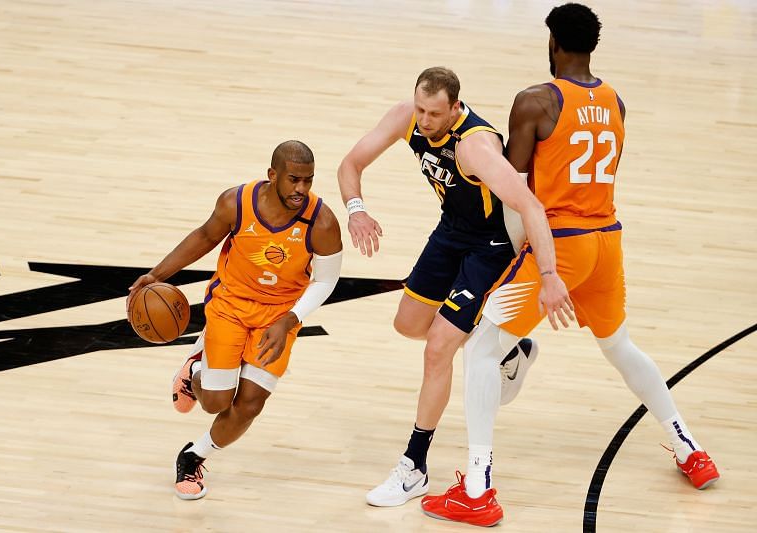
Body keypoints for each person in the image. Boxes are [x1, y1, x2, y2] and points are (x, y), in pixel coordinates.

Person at [421, 4, 720, 527]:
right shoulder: (615, 101)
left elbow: (512, 190)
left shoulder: (534, 101)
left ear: (554, 43)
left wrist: (533, 261)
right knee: (620, 346)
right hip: (607, 242)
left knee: (482, 348)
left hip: (562, 244)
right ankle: (689, 447)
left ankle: (476, 488)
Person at [338, 67, 573, 507]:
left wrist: (548, 274)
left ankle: (414, 465)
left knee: (439, 348)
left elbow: (529, 204)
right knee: (409, 325)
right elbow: (351, 163)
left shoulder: (475, 146)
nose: (424, 121)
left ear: (455, 109)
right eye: (421, 109)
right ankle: (510, 351)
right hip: (451, 232)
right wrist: (356, 210)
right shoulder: (407, 117)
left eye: (434, 114)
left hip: (491, 247)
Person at [126, 140, 343, 500]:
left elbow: (326, 280)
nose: (301, 189)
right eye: (293, 180)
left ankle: (194, 456)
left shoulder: (321, 222)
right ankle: (195, 369)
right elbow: (204, 237)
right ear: (272, 175)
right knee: (215, 401)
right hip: (230, 304)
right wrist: (157, 274)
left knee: (250, 405)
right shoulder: (236, 203)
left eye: (308, 180)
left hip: (278, 316)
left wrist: (290, 319)